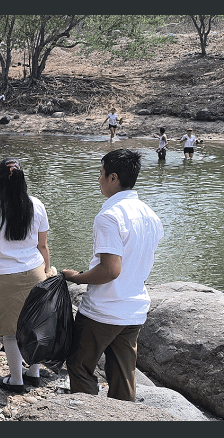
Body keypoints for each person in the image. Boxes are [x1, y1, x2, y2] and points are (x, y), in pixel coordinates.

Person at [61, 149, 163, 402]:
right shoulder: (151, 215)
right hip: (134, 309)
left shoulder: (109, 216)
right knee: (123, 373)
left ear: (113, 177)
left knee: (78, 364)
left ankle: (92, 416)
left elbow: (110, 270)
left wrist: (77, 277)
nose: (99, 179)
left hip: (104, 309)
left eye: (101, 174)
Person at [0, 157, 56, 393]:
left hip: (2, 277)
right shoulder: (36, 205)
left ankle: (16, 380)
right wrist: (48, 270)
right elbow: (43, 246)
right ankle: (34, 373)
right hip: (35, 273)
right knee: (35, 326)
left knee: (9, 331)